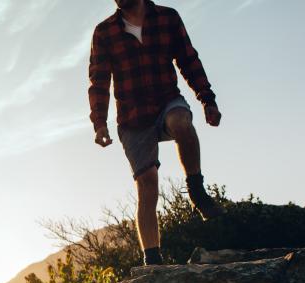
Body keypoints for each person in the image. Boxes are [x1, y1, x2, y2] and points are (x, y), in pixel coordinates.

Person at [89, 0, 225, 266]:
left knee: (181, 123)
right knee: (147, 183)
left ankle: (196, 190)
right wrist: (100, 122)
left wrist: (207, 99)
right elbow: (99, 79)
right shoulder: (104, 32)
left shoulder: (167, 18)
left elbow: (188, 59)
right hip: (133, 118)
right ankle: (152, 259)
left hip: (166, 101)